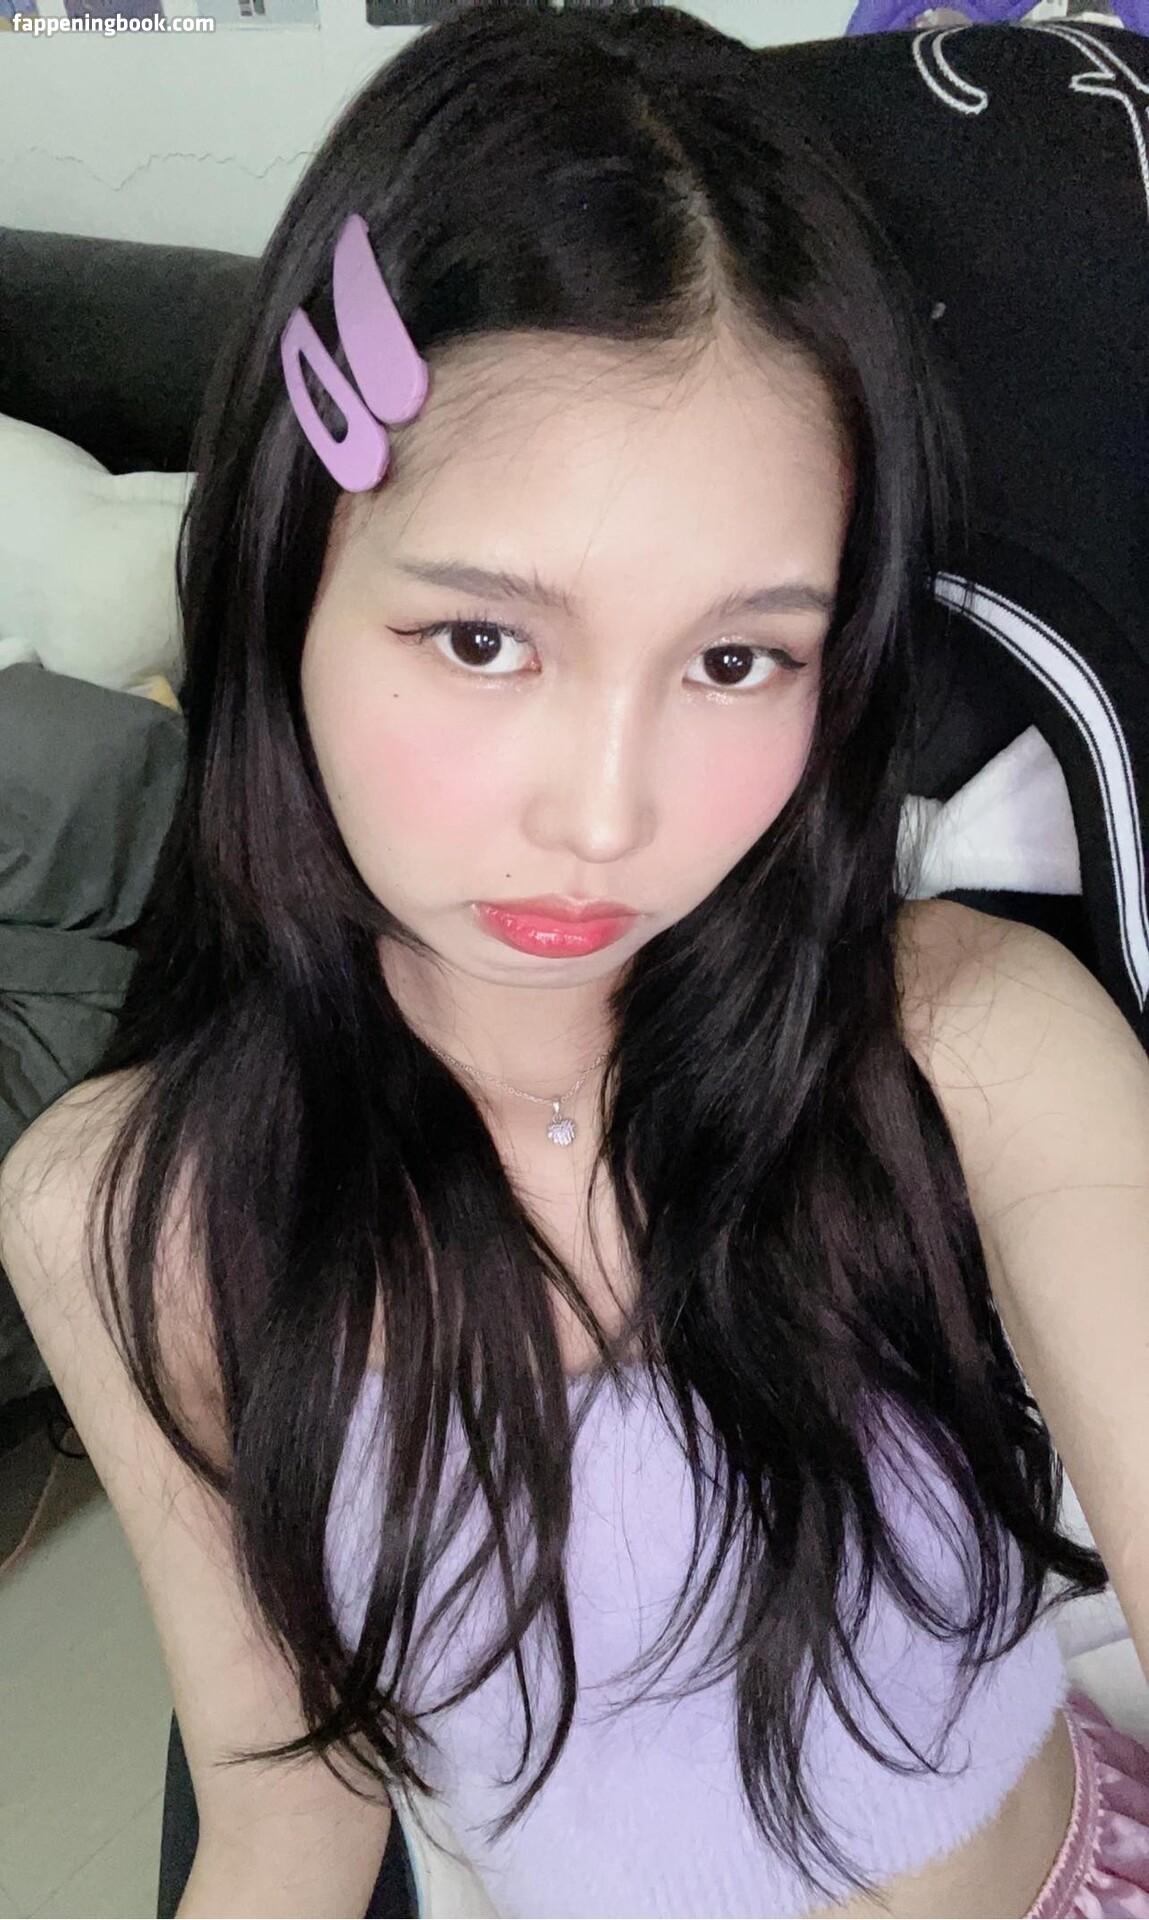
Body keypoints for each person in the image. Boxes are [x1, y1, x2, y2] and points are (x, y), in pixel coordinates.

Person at [2, 4, 1149, 1915]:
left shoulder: (962, 1044)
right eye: (482, 641)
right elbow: (288, 1815)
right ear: (286, 582)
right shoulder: (130, 1212)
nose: (606, 818)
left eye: (736, 659)